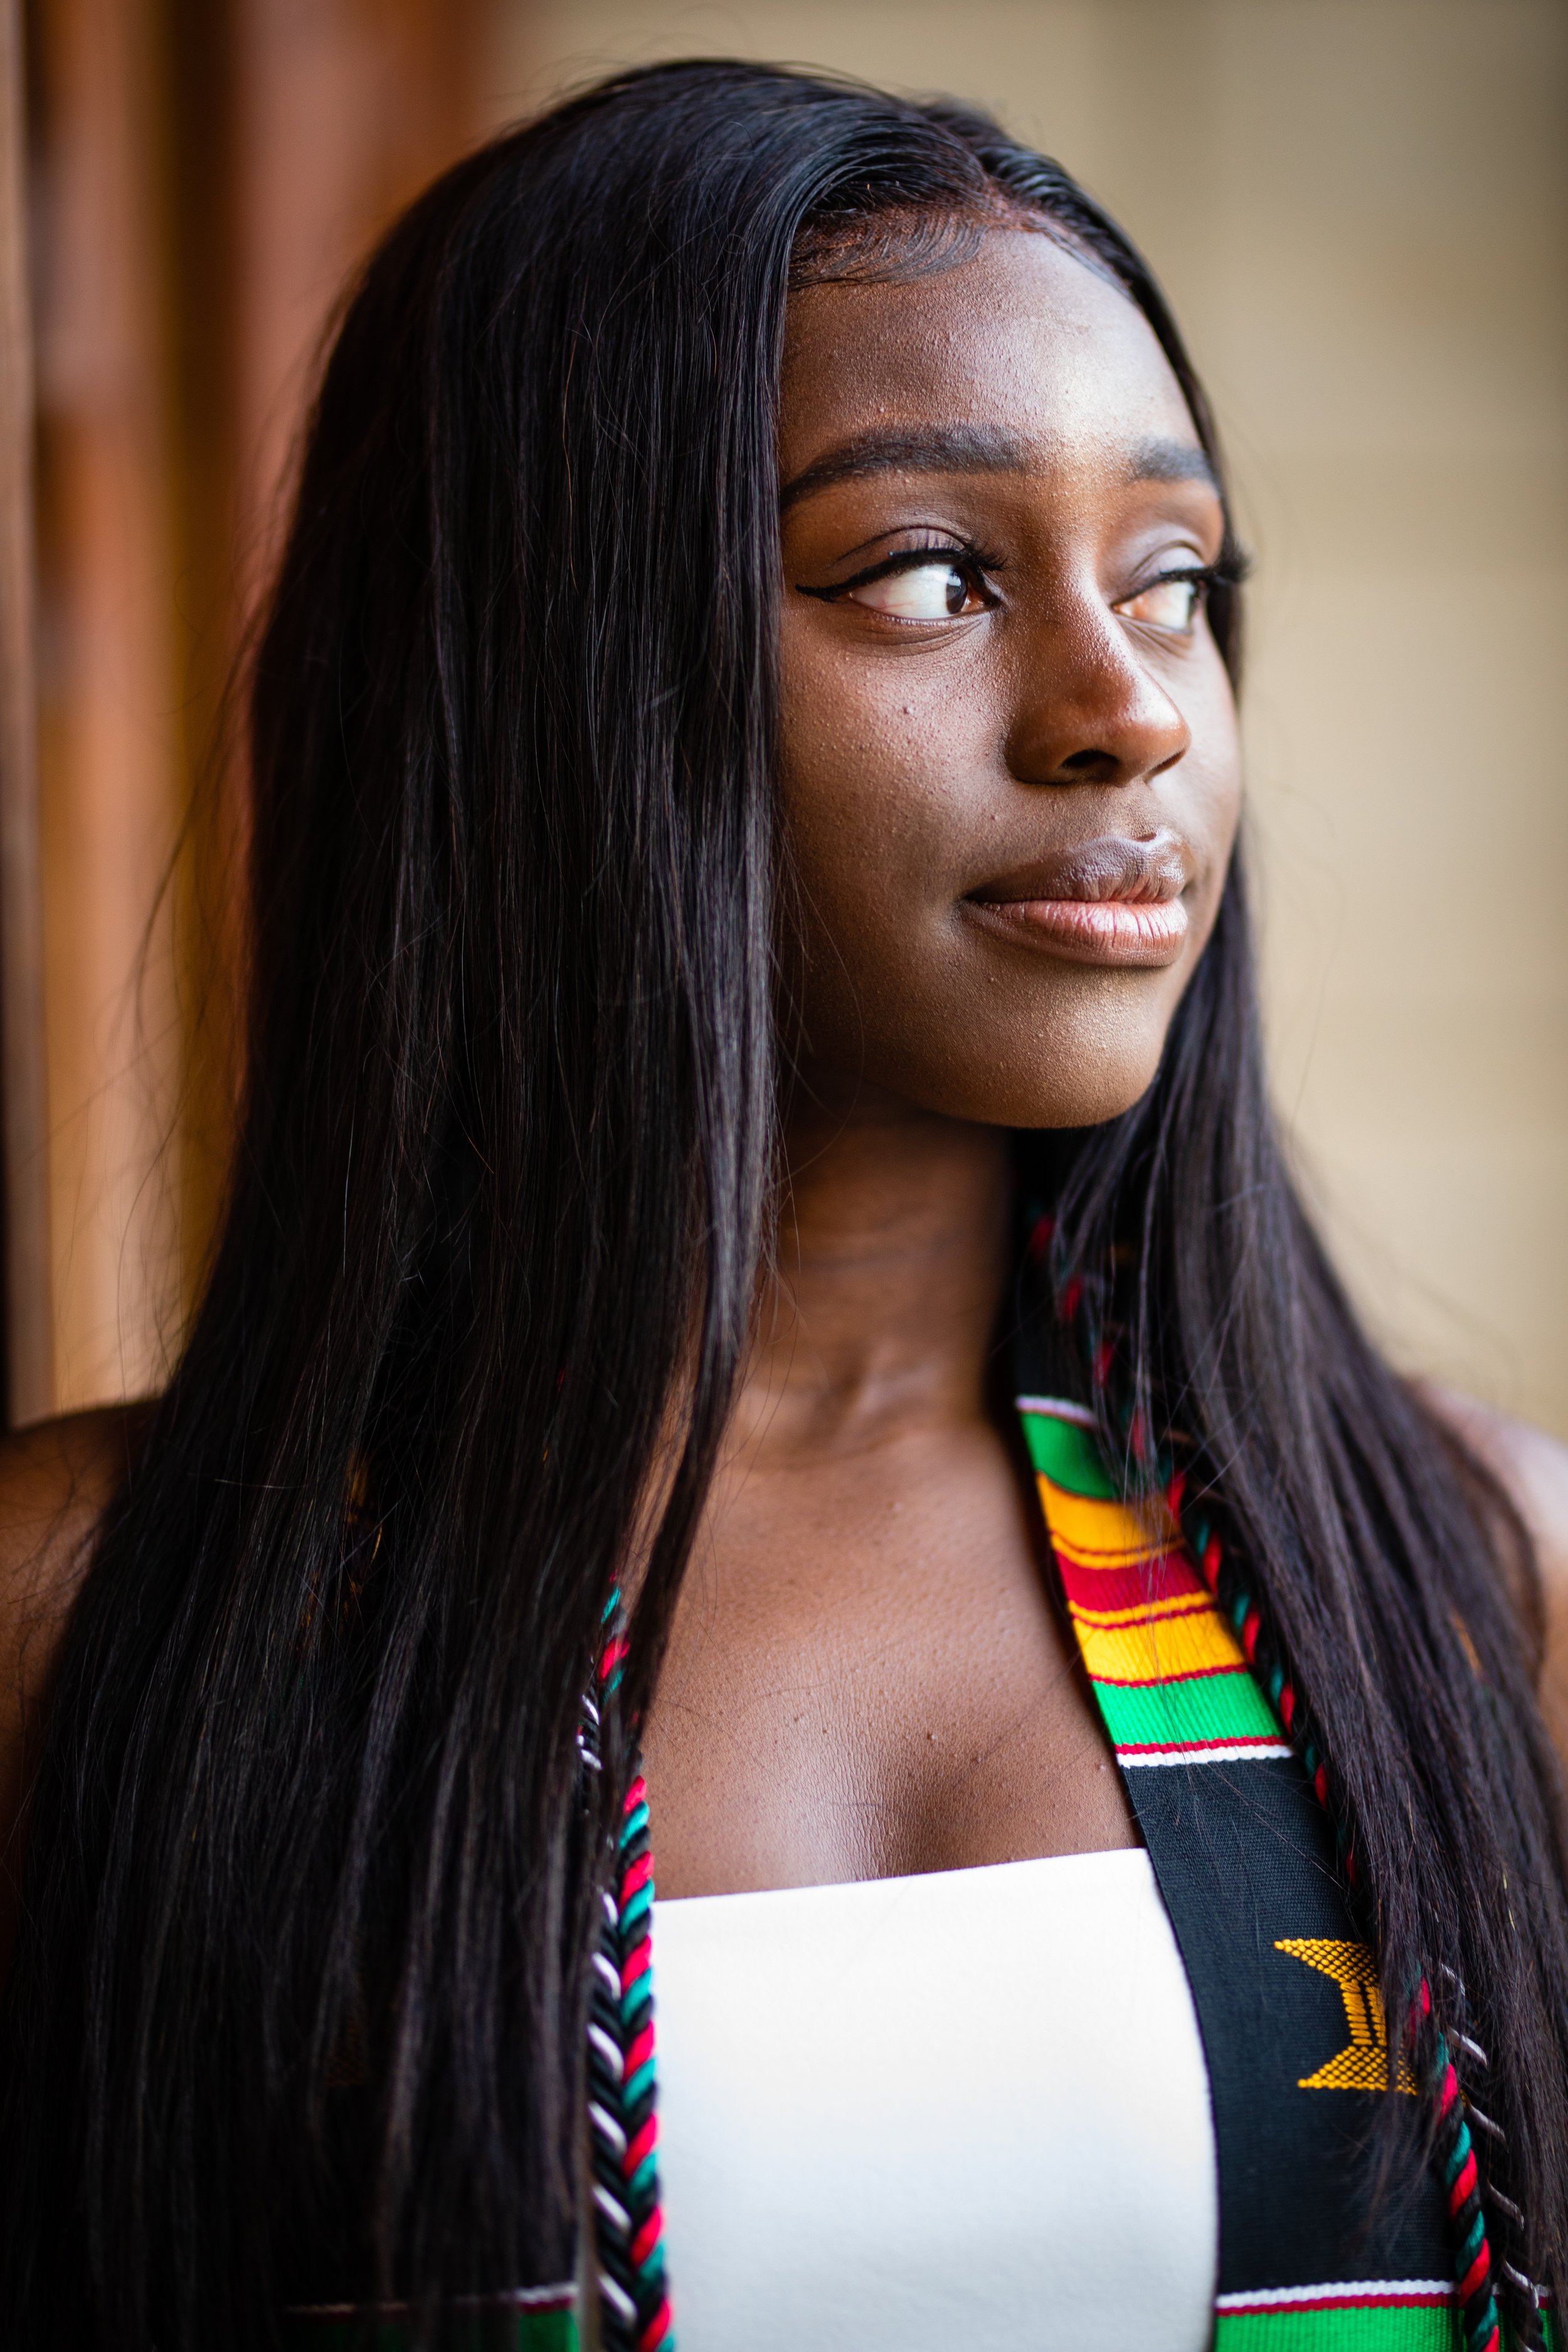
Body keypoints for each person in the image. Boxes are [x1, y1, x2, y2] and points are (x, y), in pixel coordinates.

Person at [2, 59, 1567, 2352]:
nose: (1125, 709)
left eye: (1175, 580)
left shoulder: (1476, 1588)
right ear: (536, 677)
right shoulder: (90, 1629)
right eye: (931, 576)